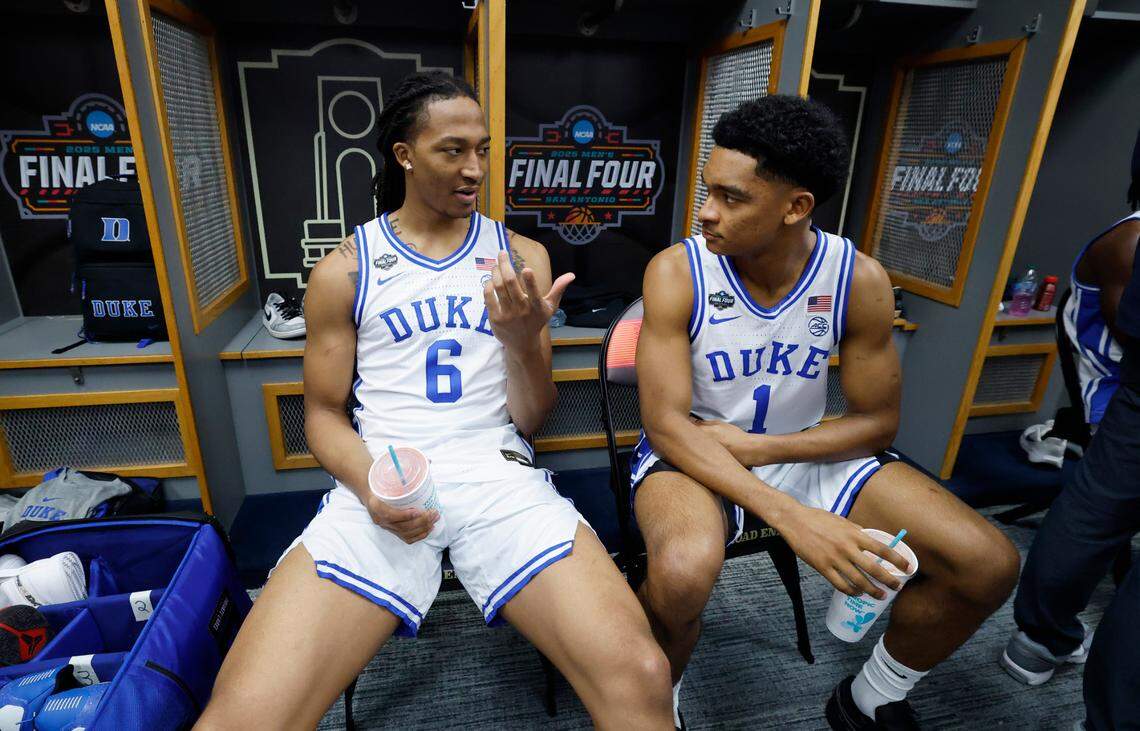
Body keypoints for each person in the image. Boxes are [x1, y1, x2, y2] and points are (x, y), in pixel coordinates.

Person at [196, 72, 672, 730]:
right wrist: (372, 485)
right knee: (240, 718)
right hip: (385, 475)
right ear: (405, 154)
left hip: (496, 472)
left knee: (642, 677)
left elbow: (532, 416)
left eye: (483, 149)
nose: (475, 167)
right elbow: (323, 418)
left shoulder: (520, 256)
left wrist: (521, 340)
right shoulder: (346, 269)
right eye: (453, 150)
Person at [631, 95, 1020, 731]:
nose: (705, 213)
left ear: (796, 207)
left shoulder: (857, 279)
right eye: (708, 191)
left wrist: (765, 453)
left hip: (795, 449)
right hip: (693, 454)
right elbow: (667, 426)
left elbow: (876, 424)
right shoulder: (677, 272)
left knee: (988, 563)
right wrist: (796, 520)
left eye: (732, 198)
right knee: (680, 575)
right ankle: (658, 697)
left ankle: (871, 699)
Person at [1000, 133, 1140, 725]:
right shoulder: (1128, 242)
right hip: (1112, 402)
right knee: (1090, 521)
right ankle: (1049, 642)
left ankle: (1040, 639)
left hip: (1125, 404)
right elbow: (1128, 331)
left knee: (1091, 518)